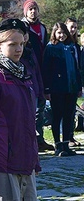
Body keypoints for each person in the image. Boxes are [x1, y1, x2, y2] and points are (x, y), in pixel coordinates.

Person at [0, 18, 41, 200]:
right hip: (1, 165)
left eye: (21, 44)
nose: (19, 49)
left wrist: (33, 159)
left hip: (24, 162)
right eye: (12, 44)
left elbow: (28, 122)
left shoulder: (23, 73)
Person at [42, 22, 82, 157]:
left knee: (68, 116)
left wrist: (78, 86)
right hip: (56, 88)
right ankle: (58, 145)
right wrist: (46, 89)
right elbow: (46, 69)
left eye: (64, 33)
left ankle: (66, 143)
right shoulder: (50, 48)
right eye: (59, 33)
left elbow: (77, 68)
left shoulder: (72, 47)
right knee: (57, 116)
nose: (62, 35)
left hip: (71, 87)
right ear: (54, 33)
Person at [21, 0, 54, 152]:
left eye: (35, 9)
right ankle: (29, 140)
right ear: (25, 12)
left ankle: (39, 139)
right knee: (29, 108)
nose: (33, 11)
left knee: (40, 106)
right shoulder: (22, 27)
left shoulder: (42, 27)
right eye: (30, 9)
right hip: (28, 69)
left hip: (42, 69)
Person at [64, 17, 82, 146]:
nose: (73, 29)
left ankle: (71, 136)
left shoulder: (76, 45)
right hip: (63, 82)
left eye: (75, 27)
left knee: (72, 110)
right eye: (71, 27)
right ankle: (65, 139)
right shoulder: (62, 44)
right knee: (65, 111)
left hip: (74, 81)